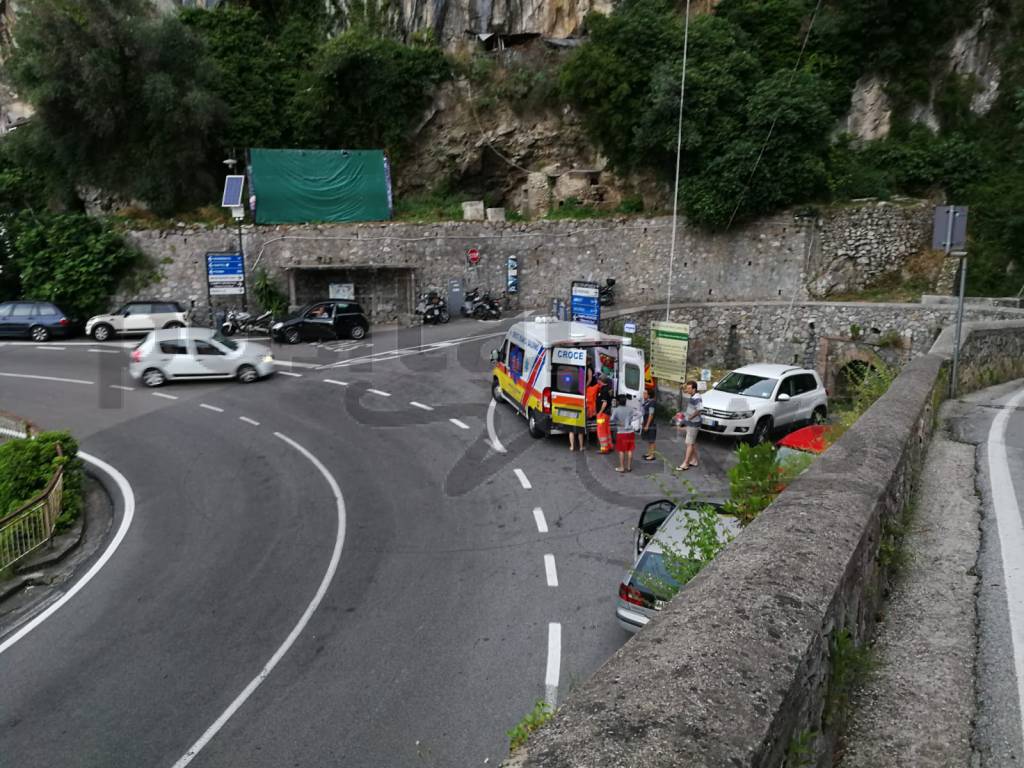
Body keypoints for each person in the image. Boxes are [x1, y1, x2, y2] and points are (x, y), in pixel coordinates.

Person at [678, 380, 702, 471]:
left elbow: (699, 410)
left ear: (694, 389)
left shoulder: (697, 398)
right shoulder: (693, 395)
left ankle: (685, 464)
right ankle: (694, 460)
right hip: (691, 423)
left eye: (689, 388)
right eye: (687, 388)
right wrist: (683, 387)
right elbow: (685, 390)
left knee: (689, 444)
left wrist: (690, 417)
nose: (687, 390)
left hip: (693, 424)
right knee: (691, 443)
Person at [611, 394, 635, 472]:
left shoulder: (616, 410)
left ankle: (622, 467)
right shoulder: (630, 409)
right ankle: (629, 467)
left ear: (618, 401)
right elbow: (634, 416)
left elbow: (612, 419)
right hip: (630, 432)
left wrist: (618, 422)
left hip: (621, 432)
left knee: (621, 450)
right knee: (630, 449)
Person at [595, 374, 613, 454]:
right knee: (607, 430)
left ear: (601, 381)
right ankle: (609, 446)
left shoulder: (604, 390)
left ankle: (604, 448)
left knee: (601, 431)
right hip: (607, 413)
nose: (597, 381)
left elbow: (604, 403)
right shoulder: (609, 389)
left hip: (602, 414)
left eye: (598, 380)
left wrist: (599, 412)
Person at [640, 389, 658, 461]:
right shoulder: (647, 402)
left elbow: (651, 414)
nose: (643, 395)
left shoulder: (652, 403)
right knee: (648, 439)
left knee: (652, 440)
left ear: (649, 395)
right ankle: (649, 453)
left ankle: (652, 455)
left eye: (645, 393)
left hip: (651, 424)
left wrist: (647, 425)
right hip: (646, 422)